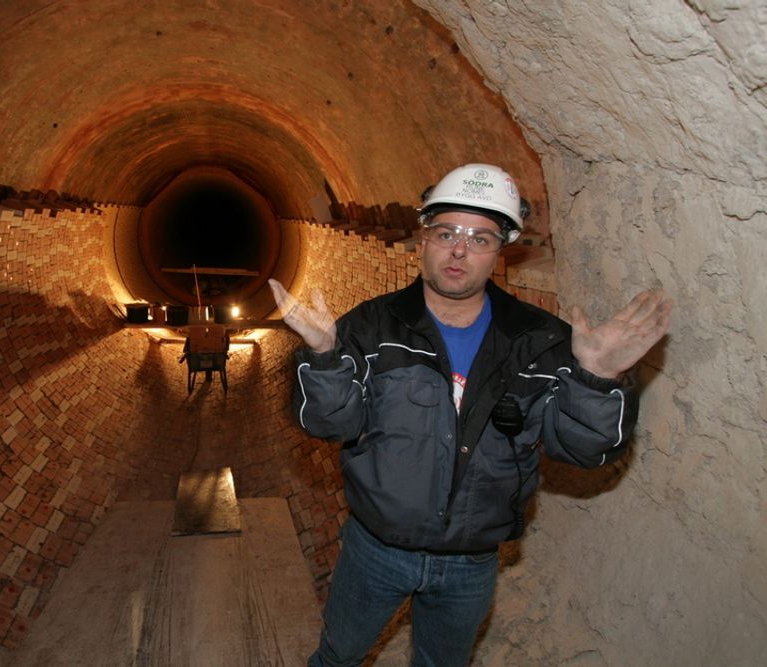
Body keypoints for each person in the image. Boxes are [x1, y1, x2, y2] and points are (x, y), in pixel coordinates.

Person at [268, 163, 672, 667]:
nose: (460, 250)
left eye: (480, 238)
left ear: (502, 250)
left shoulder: (539, 341)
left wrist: (597, 379)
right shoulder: (371, 327)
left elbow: (583, 450)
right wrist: (326, 358)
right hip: (377, 551)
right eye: (447, 233)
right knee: (338, 656)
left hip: (471, 563)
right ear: (423, 240)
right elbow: (330, 424)